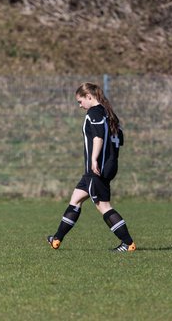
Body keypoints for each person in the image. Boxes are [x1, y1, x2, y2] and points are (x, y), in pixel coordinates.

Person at [47, 82, 136, 252]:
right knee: (76, 199)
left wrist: (94, 159)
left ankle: (128, 243)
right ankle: (56, 239)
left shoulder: (94, 112)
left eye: (80, 101)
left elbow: (98, 138)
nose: (80, 105)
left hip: (97, 168)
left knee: (103, 206)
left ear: (89, 97)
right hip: (106, 166)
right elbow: (119, 141)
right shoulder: (110, 115)